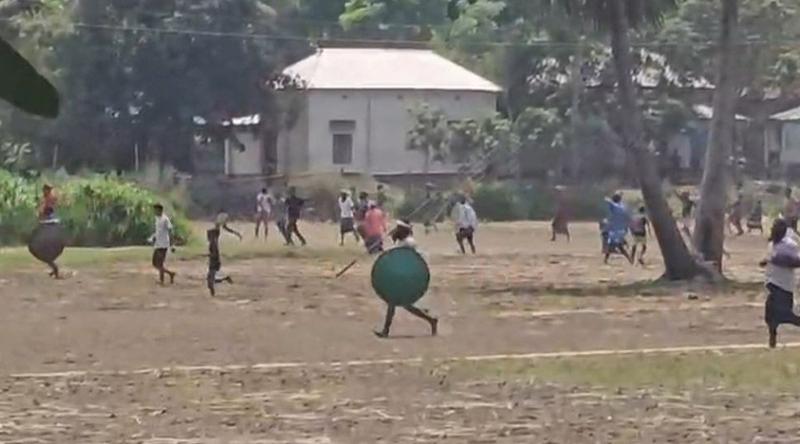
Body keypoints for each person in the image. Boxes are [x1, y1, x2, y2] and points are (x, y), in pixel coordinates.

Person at [374, 220, 438, 339]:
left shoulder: (409, 242)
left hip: (409, 277)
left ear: (404, 230)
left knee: (395, 302)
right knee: (403, 304)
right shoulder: (403, 241)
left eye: (398, 228)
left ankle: (386, 331)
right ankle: (431, 320)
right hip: (402, 276)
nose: (396, 230)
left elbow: (407, 260)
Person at [759, 218, 800, 348]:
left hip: (783, 286)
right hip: (772, 284)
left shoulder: (789, 245)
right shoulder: (772, 244)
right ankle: (772, 343)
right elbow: (771, 257)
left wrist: (778, 260)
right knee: (770, 316)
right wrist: (766, 261)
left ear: (782, 231)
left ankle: (772, 342)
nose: (773, 230)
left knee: (786, 315)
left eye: (776, 228)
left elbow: (796, 261)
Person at [149, 204, 176, 285]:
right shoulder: (157, 219)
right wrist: (153, 237)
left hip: (164, 244)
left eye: (155, 210)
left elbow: (170, 231)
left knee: (159, 263)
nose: (154, 211)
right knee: (155, 263)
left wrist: (172, 244)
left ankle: (162, 280)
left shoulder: (165, 219)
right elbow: (158, 231)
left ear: (159, 210)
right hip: (158, 244)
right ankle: (170, 274)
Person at [604, 193, 633, 264]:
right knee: (614, 245)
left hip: (614, 229)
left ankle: (629, 258)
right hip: (621, 229)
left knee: (614, 245)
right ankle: (629, 258)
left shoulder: (614, 206)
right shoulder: (623, 207)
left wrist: (606, 198)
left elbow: (609, 202)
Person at [206, 227, 233, 297]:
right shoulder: (213, 243)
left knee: (210, 281)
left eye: (209, 235)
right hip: (214, 263)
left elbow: (214, 254)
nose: (207, 236)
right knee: (211, 280)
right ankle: (225, 279)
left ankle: (212, 295)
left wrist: (208, 255)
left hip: (214, 263)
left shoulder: (213, 243)